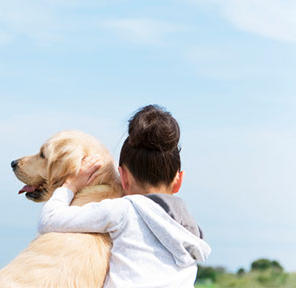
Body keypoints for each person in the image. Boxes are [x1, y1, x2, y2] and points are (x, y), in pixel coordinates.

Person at [37, 105, 211, 288]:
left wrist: (70, 185)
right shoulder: (191, 232)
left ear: (124, 178)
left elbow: (49, 220)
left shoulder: (124, 210)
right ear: (179, 180)